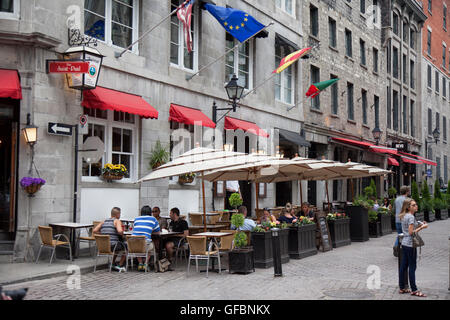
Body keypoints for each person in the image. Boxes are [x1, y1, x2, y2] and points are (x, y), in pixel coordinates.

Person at [398, 198, 428, 297]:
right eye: (413, 205)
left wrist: (419, 223)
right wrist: (422, 227)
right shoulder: (410, 217)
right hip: (410, 244)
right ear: (408, 207)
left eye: (416, 204)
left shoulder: (404, 216)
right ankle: (414, 290)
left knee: (404, 266)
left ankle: (402, 287)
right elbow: (411, 233)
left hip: (404, 243)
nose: (416, 206)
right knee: (412, 266)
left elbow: (409, 228)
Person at [93, 207, 127, 272]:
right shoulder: (117, 221)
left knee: (118, 246)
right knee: (127, 246)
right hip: (112, 246)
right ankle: (120, 265)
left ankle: (112, 263)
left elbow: (94, 230)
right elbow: (120, 231)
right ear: (118, 214)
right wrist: (122, 233)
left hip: (103, 246)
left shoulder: (104, 221)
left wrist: (102, 233)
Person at [132, 206, 161, 271]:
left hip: (133, 244)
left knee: (138, 246)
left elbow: (135, 229)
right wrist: (150, 232)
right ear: (150, 212)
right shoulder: (153, 219)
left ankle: (140, 263)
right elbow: (158, 232)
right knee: (150, 247)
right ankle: (145, 264)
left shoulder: (136, 219)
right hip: (145, 244)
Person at [393, 186, 410, 257]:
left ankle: (396, 245)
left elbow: (394, 209)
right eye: (408, 191)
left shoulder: (396, 199)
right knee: (406, 235)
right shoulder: (408, 200)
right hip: (405, 220)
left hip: (397, 219)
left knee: (399, 235)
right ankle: (404, 250)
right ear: (406, 192)